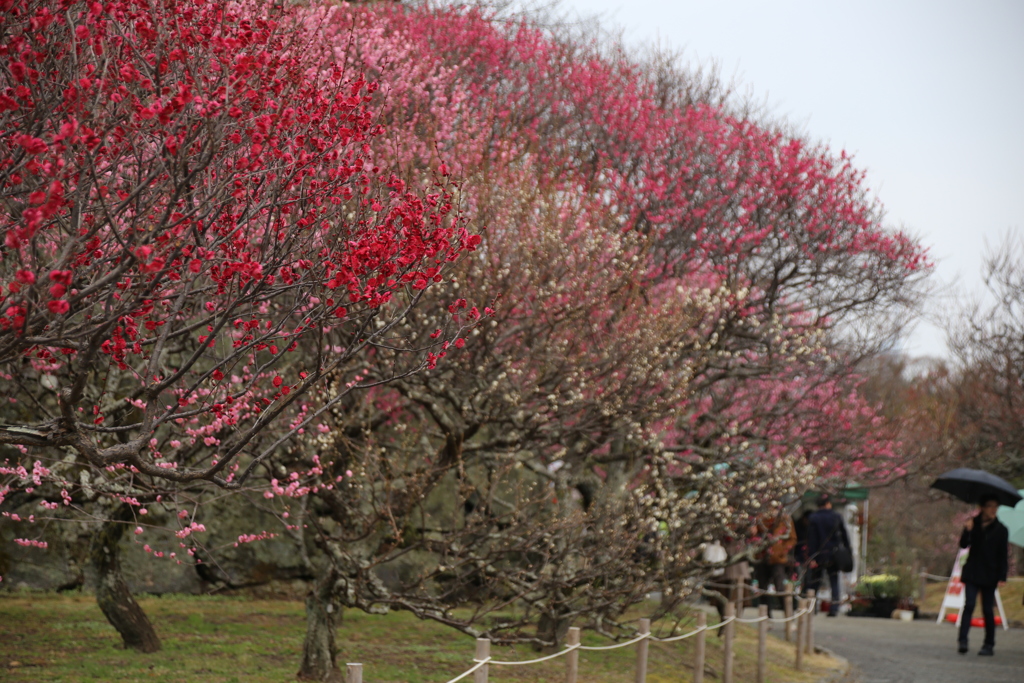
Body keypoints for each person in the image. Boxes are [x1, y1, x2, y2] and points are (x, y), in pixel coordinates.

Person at [957, 495, 1009, 656]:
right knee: (969, 605)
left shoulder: (1001, 529)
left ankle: (989, 644)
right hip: (973, 571)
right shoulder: (974, 524)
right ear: (982, 507)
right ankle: (963, 640)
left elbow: (1003, 555)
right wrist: (968, 530)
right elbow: (963, 544)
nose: (993, 510)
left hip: (990, 573)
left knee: (988, 609)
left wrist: (1002, 576)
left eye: (996, 506)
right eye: (990, 506)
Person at [806, 494, 850, 617]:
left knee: (815, 581)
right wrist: (847, 550)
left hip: (819, 554)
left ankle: (812, 607)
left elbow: (812, 539)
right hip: (834, 554)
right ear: (828, 504)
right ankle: (834, 607)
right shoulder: (836, 516)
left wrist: (812, 557)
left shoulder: (813, 518)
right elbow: (844, 536)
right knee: (834, 580)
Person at [755, 510, 796, 616]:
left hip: (778, 558)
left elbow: (792, 538)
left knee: (780, 587)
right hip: (762, 556)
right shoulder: (760, 517)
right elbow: (755, 533)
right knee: (762, 587)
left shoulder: (785, 518)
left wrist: (782, 550)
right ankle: (766, 616)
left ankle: (788, 614)